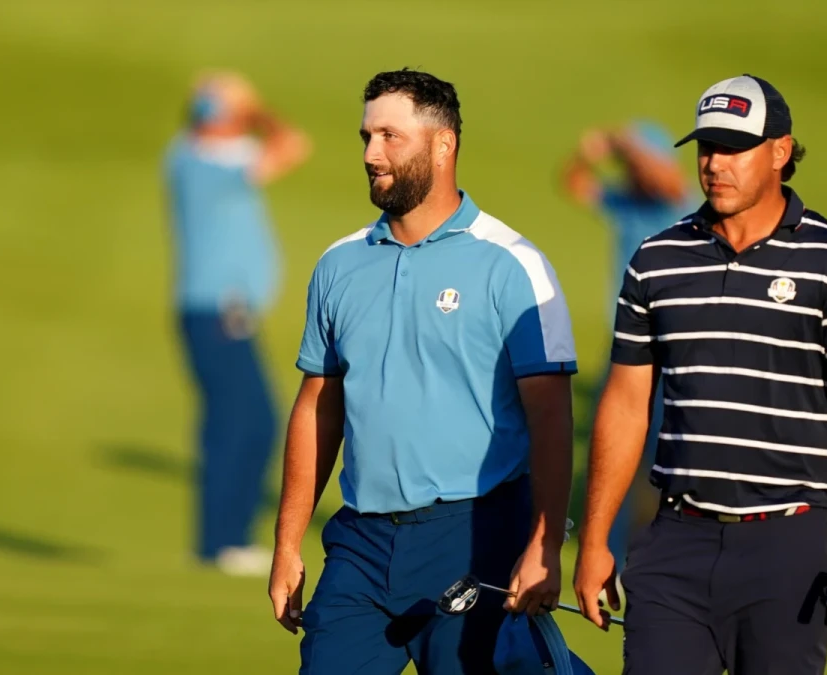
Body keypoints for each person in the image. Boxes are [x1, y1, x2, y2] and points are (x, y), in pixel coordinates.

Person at [573, 74, 827, 675]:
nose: (715, 163)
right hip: (676, 539)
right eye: (706, 147)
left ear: (780, 152)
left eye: (733, 148)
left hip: (792, 549)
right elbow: (623, 405)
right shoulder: (657, 259)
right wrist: (595, 540)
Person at [267, 68, 578, 675]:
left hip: (475, 536)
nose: (371, 154)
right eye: (365, 136)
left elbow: (551, 417)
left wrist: (544, 545)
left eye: (390, 136)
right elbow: (317, 407)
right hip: (360, 543)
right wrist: (286, 543)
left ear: (443, 145)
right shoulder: (339, 265)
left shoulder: (513, 265)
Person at [164, 71, 311, 575]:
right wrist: (256, 107)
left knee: (234, 423)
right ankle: (224, 542)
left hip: (220, 313)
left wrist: (242, 107)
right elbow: (292, 145)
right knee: (248, 422)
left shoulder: (201, 155)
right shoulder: (197, 162)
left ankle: (218, 541)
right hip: (215, 312)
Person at [560, 121, 694, 566]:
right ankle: (609, 553)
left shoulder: (679, 202)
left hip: (672, 352)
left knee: (662, 458)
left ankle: (659, 554)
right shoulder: (628, 202)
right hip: (625, 347)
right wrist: (591, 152)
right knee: (611, 453)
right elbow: (574, 183)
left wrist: (620, 143)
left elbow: (664, 179)